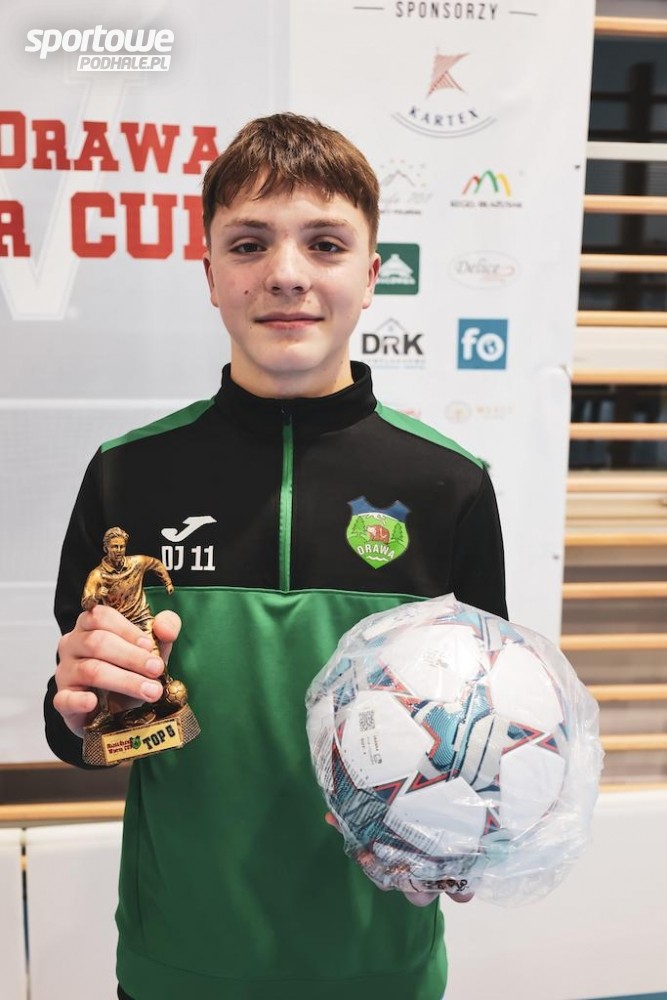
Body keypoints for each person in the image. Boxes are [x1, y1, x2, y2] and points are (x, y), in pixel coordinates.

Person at [44, 112, 507, 1000]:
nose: (286, 274)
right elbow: (81, 730)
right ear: (211, 275)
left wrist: (480, 821)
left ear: (371, 275)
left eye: (324, 244)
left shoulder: (451, 483)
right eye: (249, 244)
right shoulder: (127, 474)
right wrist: (77, 713)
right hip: (176, 965)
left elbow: (482, 734)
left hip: (382, 968)